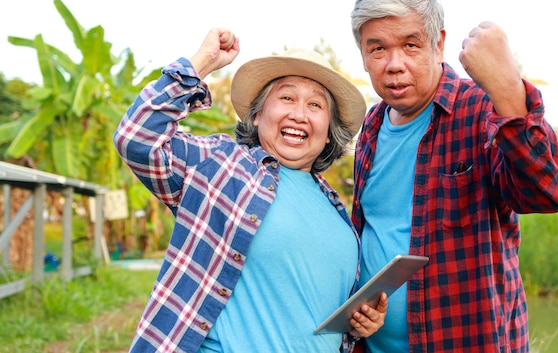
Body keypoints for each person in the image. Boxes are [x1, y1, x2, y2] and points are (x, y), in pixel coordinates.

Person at [113, 28, 388, 353]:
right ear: (257, 115)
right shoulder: (221, 163)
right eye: (286, 97)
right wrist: (203, 62)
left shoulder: (337, 211)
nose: (299, 114)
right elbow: (137, 138)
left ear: (329, 133)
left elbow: (304, 314)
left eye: (316, 105)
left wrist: (357, 324)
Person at [348, 0, 558, 353]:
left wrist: (506, 87)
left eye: (410, 45)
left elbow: (550, 193)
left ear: (438, 43)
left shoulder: (482, 108)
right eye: (378, 49)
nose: (394, 65)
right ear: (362, 53)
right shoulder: (370, 127)